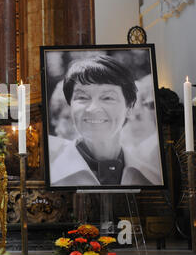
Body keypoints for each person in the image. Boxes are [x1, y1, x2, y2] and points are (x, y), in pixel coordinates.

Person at [49, 56, 163, 187]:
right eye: (82, 97)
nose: (93, 108)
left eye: (108, 97)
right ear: (70, 105)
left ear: (130, 107)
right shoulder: (50, 176)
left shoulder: (152, 179)